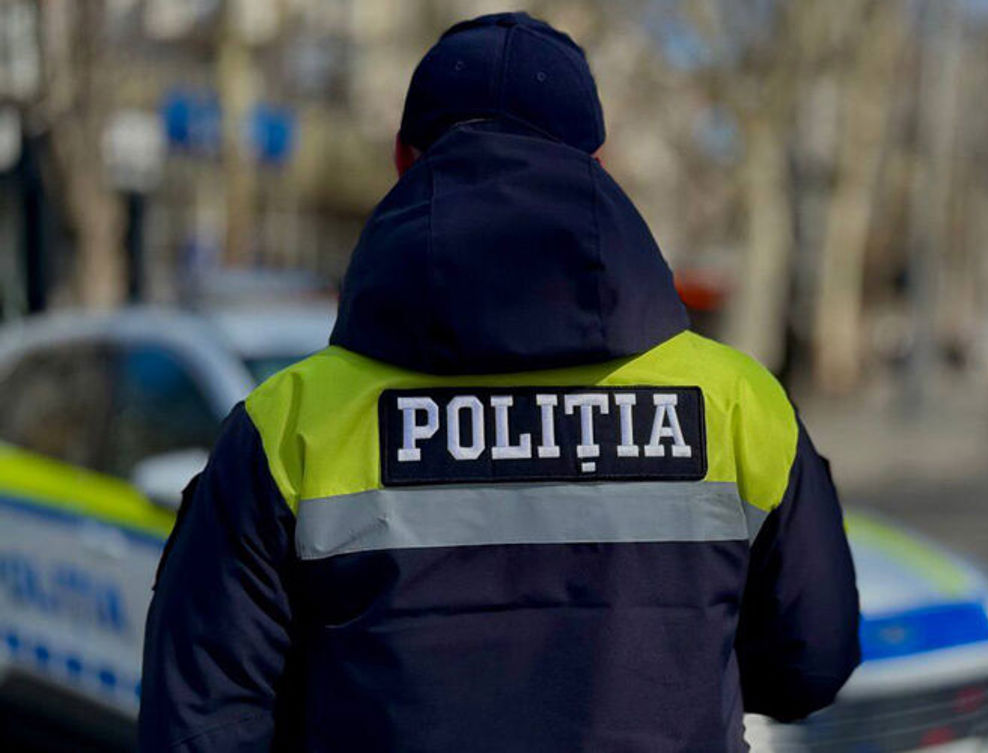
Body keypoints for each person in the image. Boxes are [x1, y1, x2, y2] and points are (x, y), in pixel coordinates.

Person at [140, 12, 859, 753]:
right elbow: (809, 666)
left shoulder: (287, 424)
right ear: (598, 164)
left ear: (402, 159)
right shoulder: (740, 406)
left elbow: (202, 721)